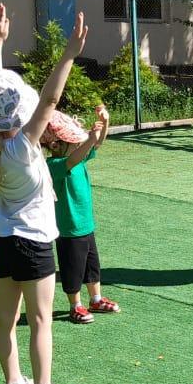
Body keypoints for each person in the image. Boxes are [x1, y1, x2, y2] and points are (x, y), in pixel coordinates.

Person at [0, 3, 83, 384]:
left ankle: (14, 383)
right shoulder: (22, 146)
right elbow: (50, 99)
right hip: (34, 243)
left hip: (4, 240)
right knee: (40, 320)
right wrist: (69, 54)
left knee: (5, 319)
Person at [42, 107, 122, 325]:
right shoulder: (54, 165)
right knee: (72, 268)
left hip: (86, 225)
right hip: (69, 229)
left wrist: (104, 123)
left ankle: (95, 298)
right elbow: (74, 158)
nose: (78, 144)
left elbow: (96, 144)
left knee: (92, 265)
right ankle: (75, 305)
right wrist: (88, 140)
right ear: (56, 145)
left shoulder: (78, 158)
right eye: (73, 142)